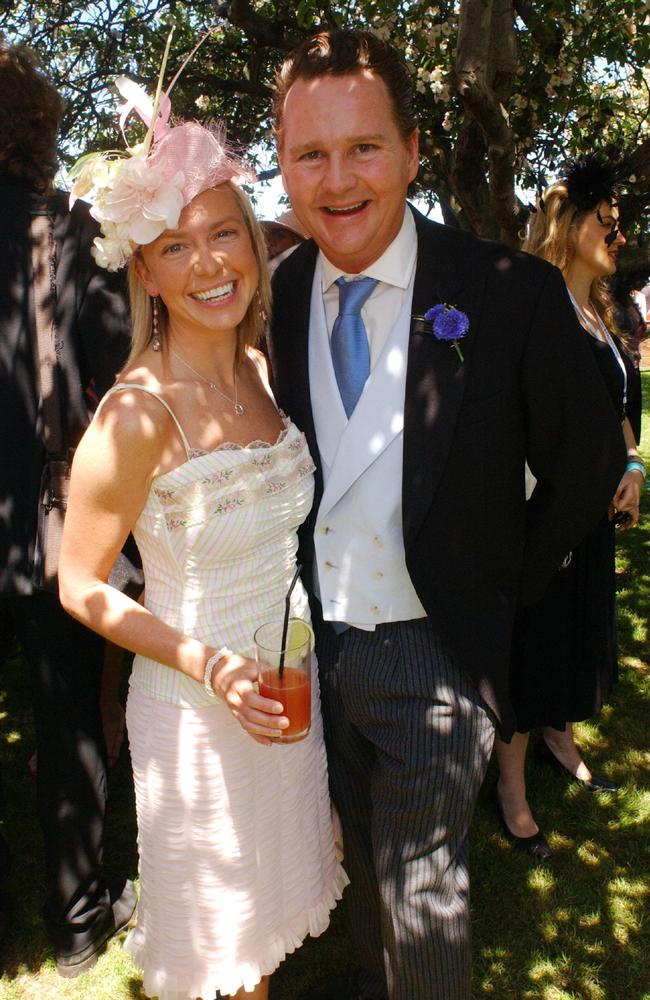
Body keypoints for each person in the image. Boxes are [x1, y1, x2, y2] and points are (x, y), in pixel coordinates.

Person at [266, 29, 627, 1000]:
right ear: (281, 161)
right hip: (312, 648)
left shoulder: (504, 291)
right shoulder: (278, 292)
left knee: (424, 892)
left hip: (436, 647)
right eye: (310, 153)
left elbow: (589, 455)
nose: (337, 180)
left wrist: (510, 575)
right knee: (361, 869)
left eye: (364, 148)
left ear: (414, 150)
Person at [58, 66, 347, 1000]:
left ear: (255, 245)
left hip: (281, 693)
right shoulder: (136, 415)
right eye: (176, 247)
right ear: (143, 268)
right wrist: (208, 663)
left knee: (265, 943)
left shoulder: (264, 370)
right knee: (225, 963)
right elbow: (81, 584)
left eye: (226, 234)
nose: (210, 264)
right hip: (193, 716)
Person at [0, 42, 136, 975]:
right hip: (49, 529)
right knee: (67, 719)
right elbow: (115, 373)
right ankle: (80, 916)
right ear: (38, 127)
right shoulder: (67, 229)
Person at [493, 160, 645, 857]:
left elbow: (620, 412)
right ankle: (511, 789)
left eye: (620, 226)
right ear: (566, 224)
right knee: (534, 642)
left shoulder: (606, 319)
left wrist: (634, 467)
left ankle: (560, 734)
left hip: (595, 515)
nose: (617, 235)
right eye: (605, 223)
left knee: (577, 632)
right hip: (544, 514)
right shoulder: (536, 308)